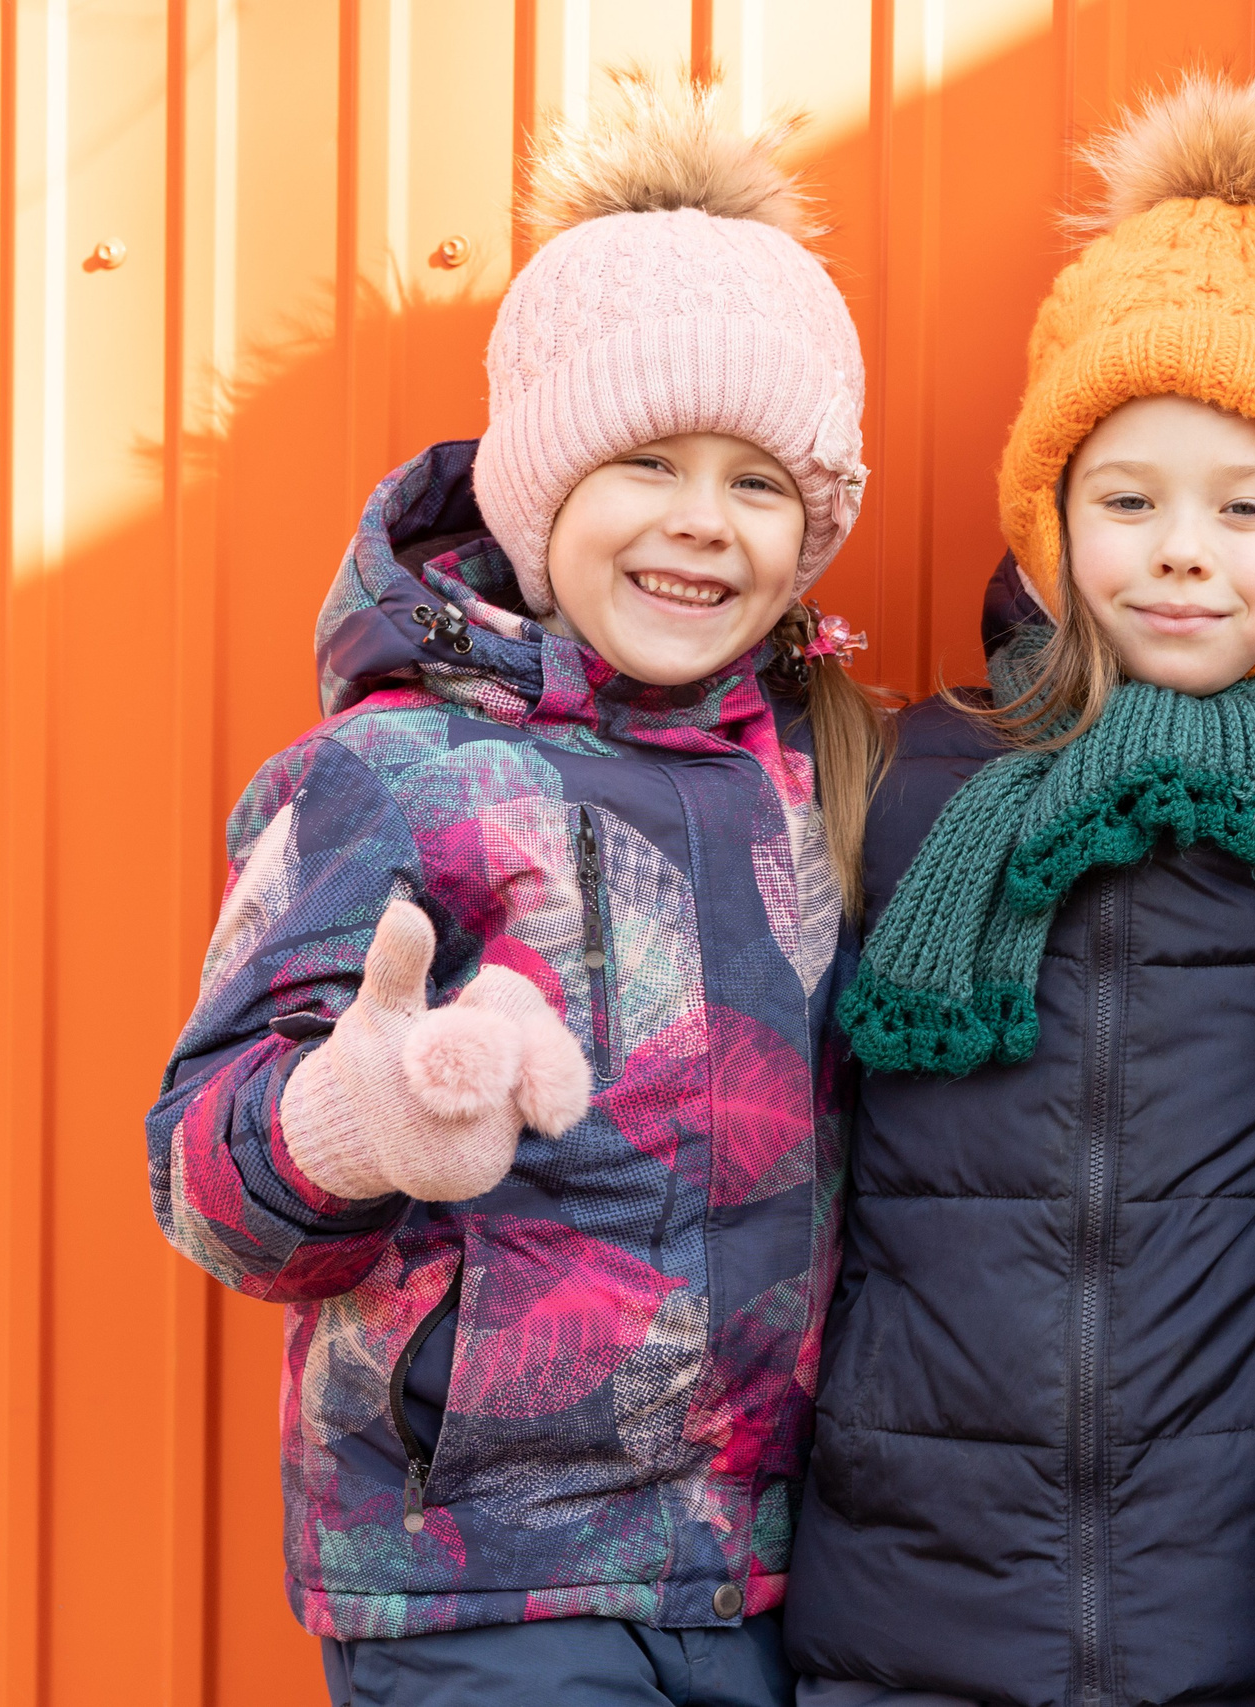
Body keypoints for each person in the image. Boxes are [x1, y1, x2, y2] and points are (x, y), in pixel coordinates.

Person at [145, 72, 884, 1707]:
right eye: (646, 464)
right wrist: (352, 1119)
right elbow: (202, 1174)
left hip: (767, 1574)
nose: (702, 525)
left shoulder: (817, 776)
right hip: (482, 1584)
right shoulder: (393, 773)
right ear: (543, 489)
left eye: (757, 483)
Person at [783, 74, 1255, 1707]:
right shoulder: (919, 774)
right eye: (1126, 500)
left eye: (1246, 505)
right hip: (918, 1580)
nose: (1182, 552)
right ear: (1051, 520)